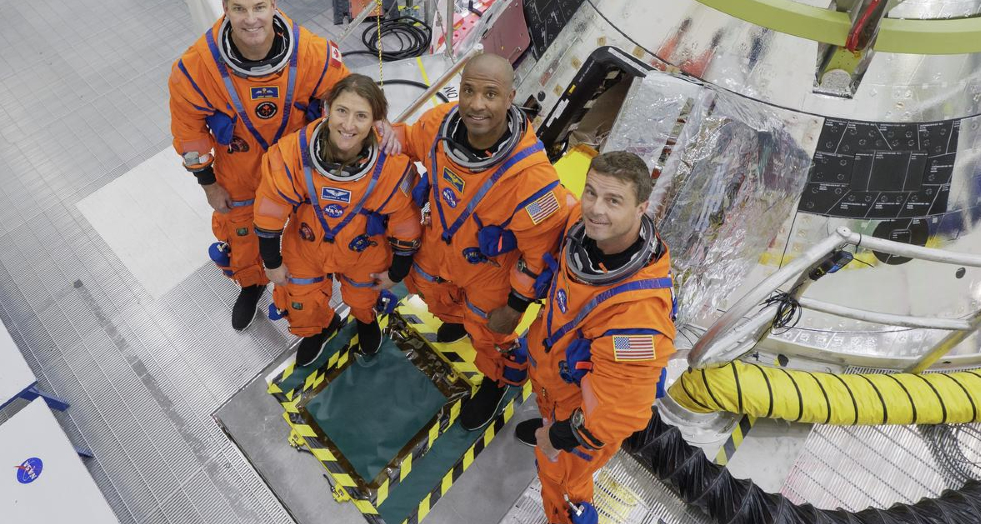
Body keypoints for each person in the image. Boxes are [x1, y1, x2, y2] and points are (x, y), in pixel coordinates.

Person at [392, 53, 569, 431]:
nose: (476, 104)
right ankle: (455, 320)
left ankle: (496, 381)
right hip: (440, 247)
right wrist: (365, 131)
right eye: (468, 90)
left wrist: (516, 306)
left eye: (491, 94)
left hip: (491, 273)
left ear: (510, 99)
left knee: (489, 332)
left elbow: (538, 257)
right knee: (430, 289)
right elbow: (407, 139)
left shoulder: (533, 179)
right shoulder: (440, 127)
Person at [169, 0, 351, 331]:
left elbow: (345, 98)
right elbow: (188, 131)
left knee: (306, 234)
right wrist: (208, 184)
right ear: (225, 8)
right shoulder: (196, 67)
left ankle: (307, 299)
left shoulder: (311, 53)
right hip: (239, 171)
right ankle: (251, 284)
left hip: (298, 168)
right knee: (241, 231)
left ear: (273, 5)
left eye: (258, 8)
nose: (250, 19)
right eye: (239, 9)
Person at [515, 151, 676, 524]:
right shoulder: (581, 231)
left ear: (642, 208)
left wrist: (557, 439)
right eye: (591, 193)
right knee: (547, 431)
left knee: (563, 487)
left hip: (580, 426)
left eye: (613, 200)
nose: (595, 209)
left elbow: (617, 414)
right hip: (552, 391)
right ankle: (545, 427)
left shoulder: (638, 316)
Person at [255, 74, 421, 366]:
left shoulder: (392, 167)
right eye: (342, 111)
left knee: (363, 297)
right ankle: (318, 329)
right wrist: (271, 262)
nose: (348, 125)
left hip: (362, 251)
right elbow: (269, 210)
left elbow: (406, 224)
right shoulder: (294, 152)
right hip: (306, 245)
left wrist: (397, 272)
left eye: (361, 116)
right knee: (301, 302)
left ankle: (365, 321)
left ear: (376, 122)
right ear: (327, 109)